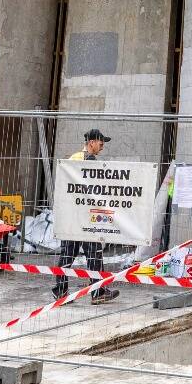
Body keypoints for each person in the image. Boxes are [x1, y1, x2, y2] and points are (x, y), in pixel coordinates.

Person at [53, 128, 120, 305]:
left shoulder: (73, 157)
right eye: (100, 142)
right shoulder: (88, 161)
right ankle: (98, 292)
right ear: (91, 142)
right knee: (94, 255)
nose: (102, 146)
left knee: (67, 255)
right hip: (84, 218)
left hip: (71, 216)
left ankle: (60, 291)